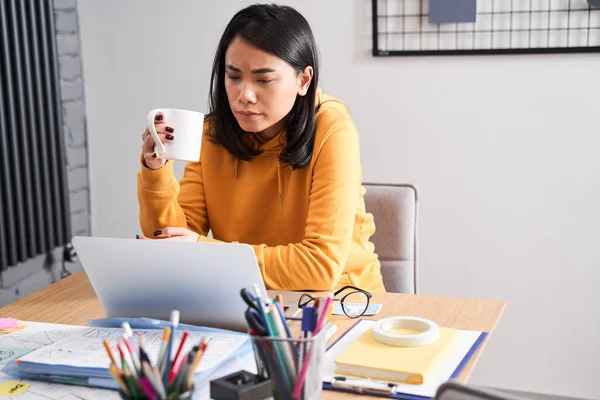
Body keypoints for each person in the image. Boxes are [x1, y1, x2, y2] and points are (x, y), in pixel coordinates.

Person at [137, 4, 385, 293]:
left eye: (263, 80)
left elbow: (320, 266)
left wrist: (204, 253)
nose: (245, 95)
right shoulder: (211, 134)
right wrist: (156, 170)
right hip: (244, 295)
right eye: (233, 76)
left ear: (303, 80)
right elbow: (171, 244)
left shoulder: (333, 131)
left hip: (339, 302)